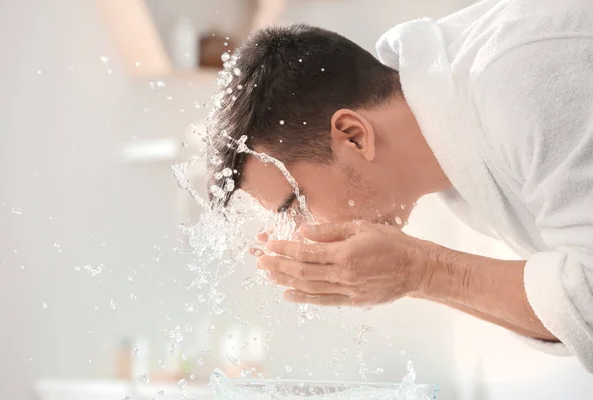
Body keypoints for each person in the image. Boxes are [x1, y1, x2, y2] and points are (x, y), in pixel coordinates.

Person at [206, 0, 593, 373]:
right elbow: (575, 315)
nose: (305, 231)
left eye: (295, 204)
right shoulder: (456, 153)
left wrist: (419, 271)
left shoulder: (517, 81)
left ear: (354, 136)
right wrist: (408, 277)